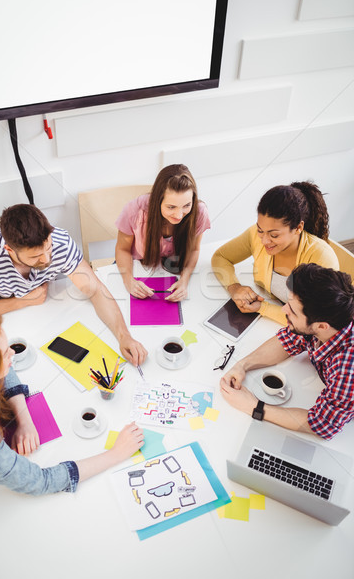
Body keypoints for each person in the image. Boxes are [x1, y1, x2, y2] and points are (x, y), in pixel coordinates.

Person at [0, 313, 144, 517]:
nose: (12, 354)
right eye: (3, 353)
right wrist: (116, 453)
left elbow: (4, 370)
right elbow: (40, 481)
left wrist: (24, 420)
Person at [0, 204, 147, 366]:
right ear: (10, 250)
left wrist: (124, 337)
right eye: (36, 256)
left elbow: (95, 290)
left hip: (43, 317)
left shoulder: (60, 242)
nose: (47, 259)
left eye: (48, 247)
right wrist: (22, 301)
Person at [220, 263, 354, 440]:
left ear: (322, 326)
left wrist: (254, 406)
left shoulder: (348, 367)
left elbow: (323, 423)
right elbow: (287, 340)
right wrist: (242, 366)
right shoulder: (325, 319)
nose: (284, 310)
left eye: (292, 311)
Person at [211, 181, 339, 325]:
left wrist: (263, 308)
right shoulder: (255, 235)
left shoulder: (321, 257)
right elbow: (221, 257)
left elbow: (313, 321)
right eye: (261, 230)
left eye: (274, 235)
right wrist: (234, 287)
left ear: (298, 228)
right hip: (270, 322)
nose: (264, 241)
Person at [115, 164, 211, 301]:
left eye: (186, 205)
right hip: (136, 266)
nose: (179, 215)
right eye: (171, 207)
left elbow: (194, 249)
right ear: (157, 201)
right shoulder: (135, 210)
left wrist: (184, 280)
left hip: (172, 269)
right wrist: (129, 281)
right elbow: (122, 249)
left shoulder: (199, 212)